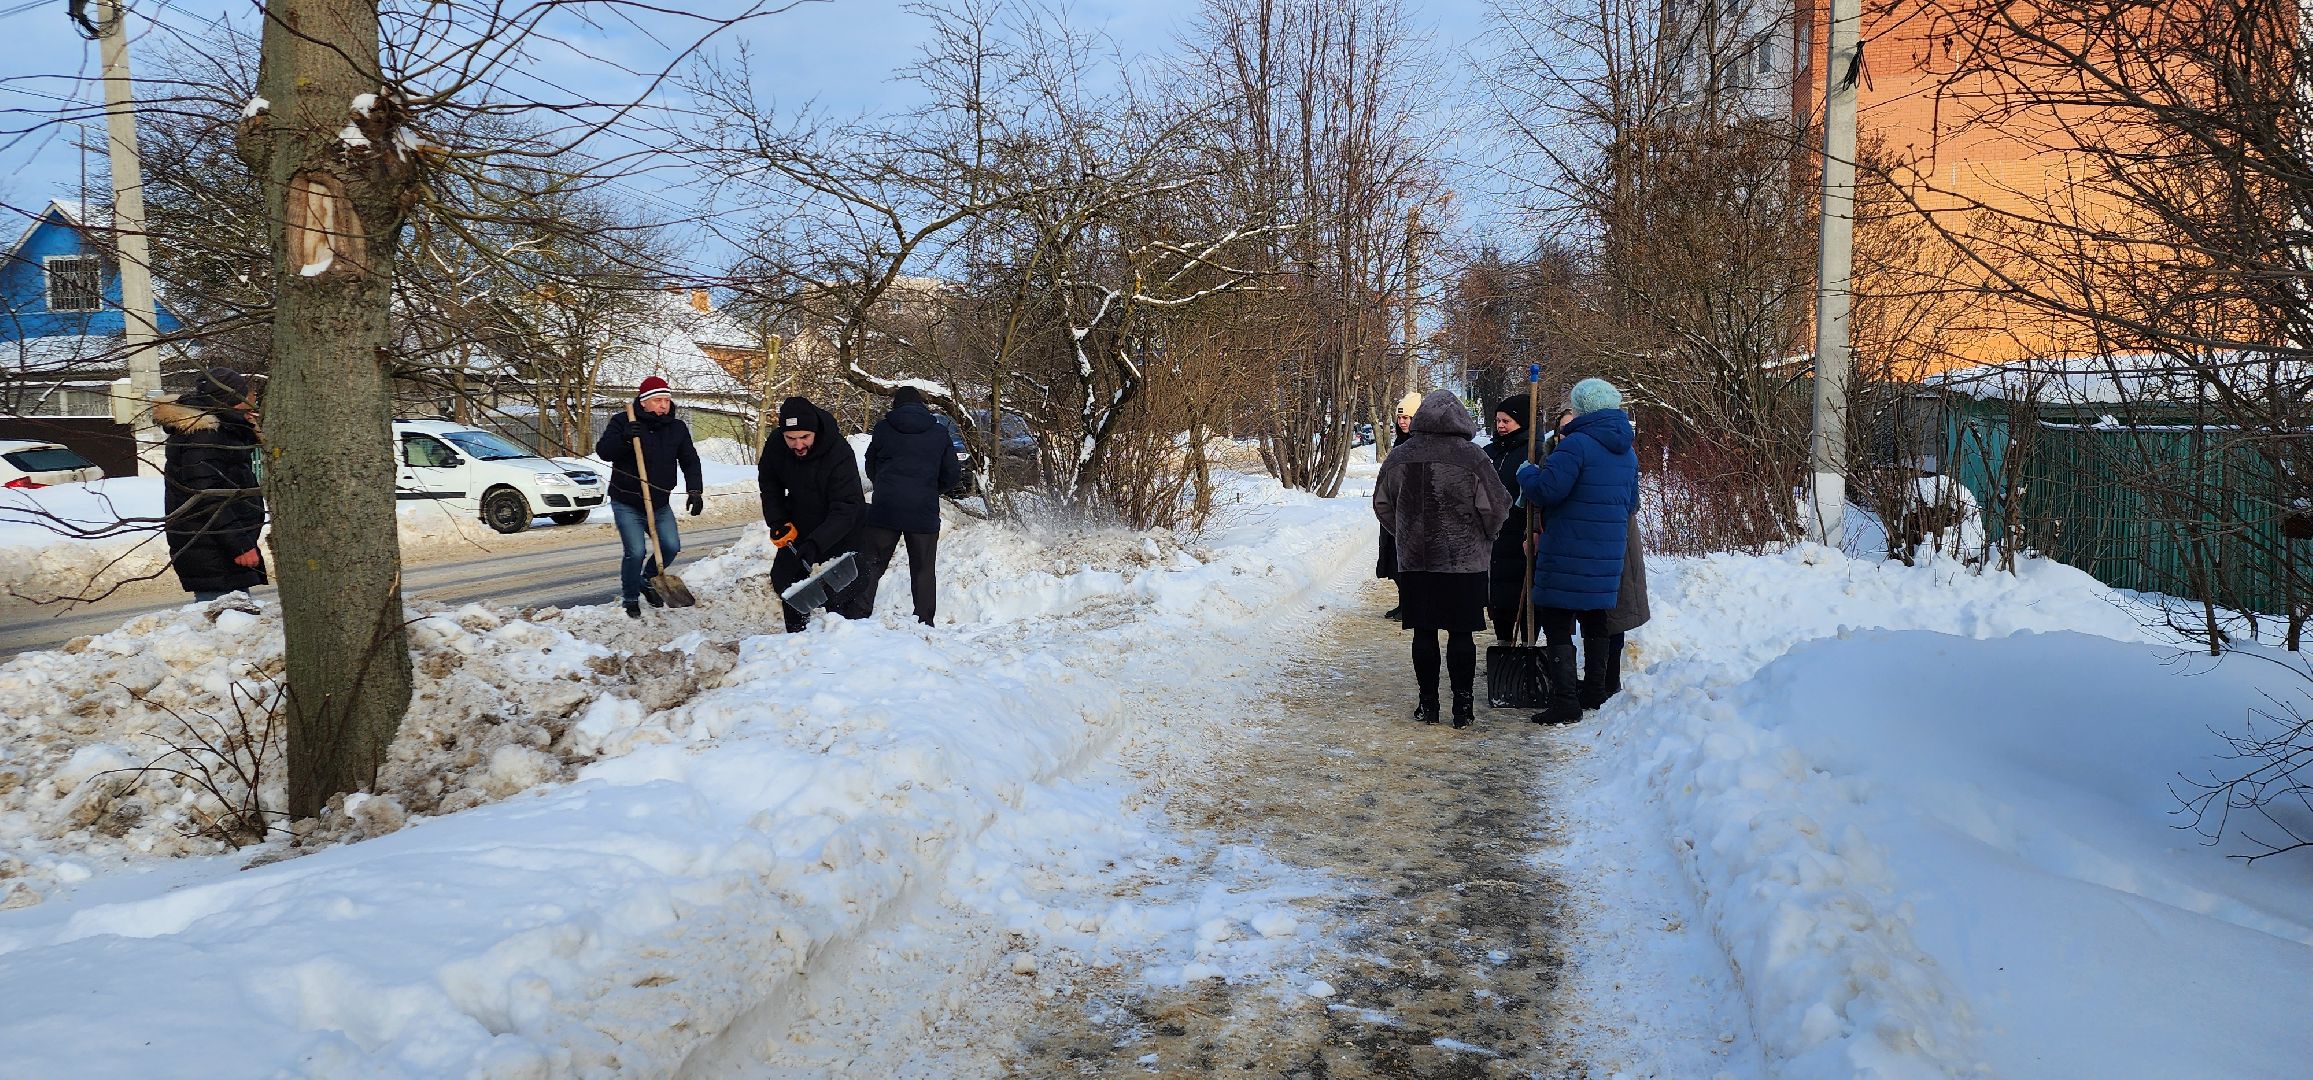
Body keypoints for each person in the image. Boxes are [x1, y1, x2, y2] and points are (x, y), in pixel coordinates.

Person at [1373, 390, 1512, 728]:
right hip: (1464, 563)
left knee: (1423, 632)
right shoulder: (1474, 457)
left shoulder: (1399, 457)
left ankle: (1429, 704)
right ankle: (1463, 709)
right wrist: (1485, 535)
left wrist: (1404, 533)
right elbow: (1496, 507)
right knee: (1462, 633)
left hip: (1417, 560)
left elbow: (1382, 504)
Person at [1516, 378, 1640, 724]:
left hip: (1568, 549)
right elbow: (1631, 502)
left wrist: (1527, 474)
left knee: (1557, 620)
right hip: (1607, 553)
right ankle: (1595, 691)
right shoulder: (1626, 450)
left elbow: (1548, 490)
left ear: (1582, 408)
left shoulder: (1576, 445)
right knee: (1595, 619)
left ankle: (1565, 701)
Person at [595, 375, 704, 619]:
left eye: (667, 400)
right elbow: (604, 451)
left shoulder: (676, 428)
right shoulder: (624, 421)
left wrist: (695, 489)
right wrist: (624, 437)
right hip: (627, 501)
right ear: (643, 402)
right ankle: (631, 596)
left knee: (671, 545)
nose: (664, 405)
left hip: (659, 501)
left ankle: (647, 578)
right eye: (658, 400)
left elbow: (689, 459)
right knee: (635, 551)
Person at [759, 395, 869, 633]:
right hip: (800, 521)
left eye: (804, 437)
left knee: (839, 593)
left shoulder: (838, 452)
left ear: (815, 432)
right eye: (791, 438)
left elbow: (846, 507)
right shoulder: (777, 445)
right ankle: (797, 639)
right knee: (786, 582)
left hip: (841, 529)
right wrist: (778, 520)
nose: (798, 445)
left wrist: (816, 543)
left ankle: (844, 645)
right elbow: (769, 484)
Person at [157, 367, 266, 602]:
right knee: (225, 623)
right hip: (214, 550)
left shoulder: (220, 430)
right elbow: (208, 497)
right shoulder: (205, 435)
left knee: (230, 623)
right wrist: (239, 545)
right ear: (232, 399)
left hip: (216, 547)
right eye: (248, 395)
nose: (253, 400)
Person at [859, 385, 962, 625]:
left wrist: (884, 486)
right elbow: (952, 474)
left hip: (886, 507)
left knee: (872, 563)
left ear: (895, 405)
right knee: (923, 569)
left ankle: (858, 617)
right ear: (922, 407)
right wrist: (930, 490)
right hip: (923, 510)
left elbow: (870, 463)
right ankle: (924, 622)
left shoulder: (883, 429)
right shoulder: (939, 433)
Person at [1482, 393, 1540, 642]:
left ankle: (1527, 644)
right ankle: (1504, 643)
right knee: (1499, 596)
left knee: (1524, 594)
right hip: (1494, 533)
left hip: (1522, 531)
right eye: (1498, 421)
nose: (1501, 426)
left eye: (1507, 421)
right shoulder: (1490, 452)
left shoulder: (1534, 452)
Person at [1377, 390, 1422, 620]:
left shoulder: (1420, 444)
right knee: (1395, 562)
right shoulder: (1399, 443)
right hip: (1395, 510)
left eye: (1408, 418)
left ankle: (1412, 605)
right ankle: (1404, 601)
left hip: (1412, 512)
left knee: (1410, 562)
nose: (1403, 422)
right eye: (1400, 417)